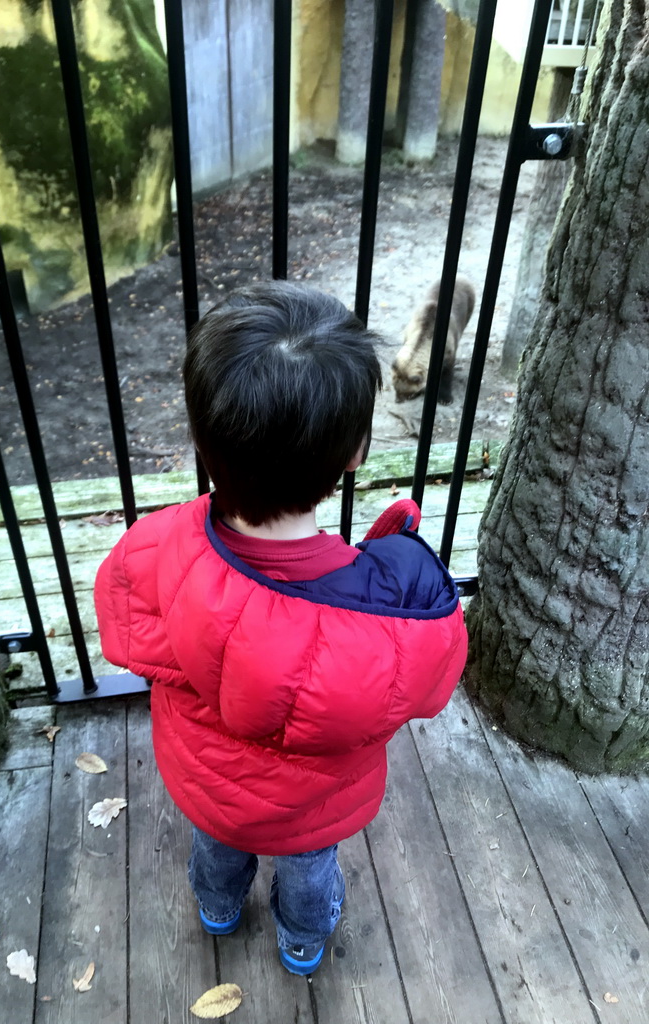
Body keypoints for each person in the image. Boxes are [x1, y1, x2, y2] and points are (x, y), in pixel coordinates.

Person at [94, 282, 467, 975]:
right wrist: (397, 562)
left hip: (207, 787)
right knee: (308, 868)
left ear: (206, 440)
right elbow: (433, 681)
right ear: (354, 452)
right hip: (313, 810)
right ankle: (301, 941)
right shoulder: (382, 627)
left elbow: (123, 632)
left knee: (216, 846)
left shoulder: (157, 545)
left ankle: (218, 908)